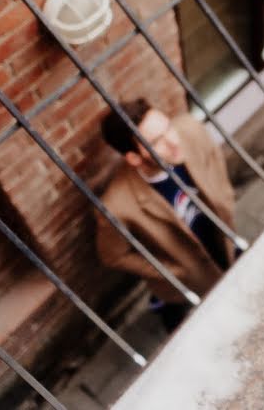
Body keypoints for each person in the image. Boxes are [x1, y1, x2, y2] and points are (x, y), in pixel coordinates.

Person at [97, 99, 238, 331]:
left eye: (168, 127)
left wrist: (225, 200)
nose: (173, 141)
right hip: (183, 284)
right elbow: (113, 256)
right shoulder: (117, 206)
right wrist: (169, 270)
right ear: (134, 158)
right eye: (156, 142)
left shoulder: (190, 131)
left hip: (220, 239)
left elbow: (214, 160)